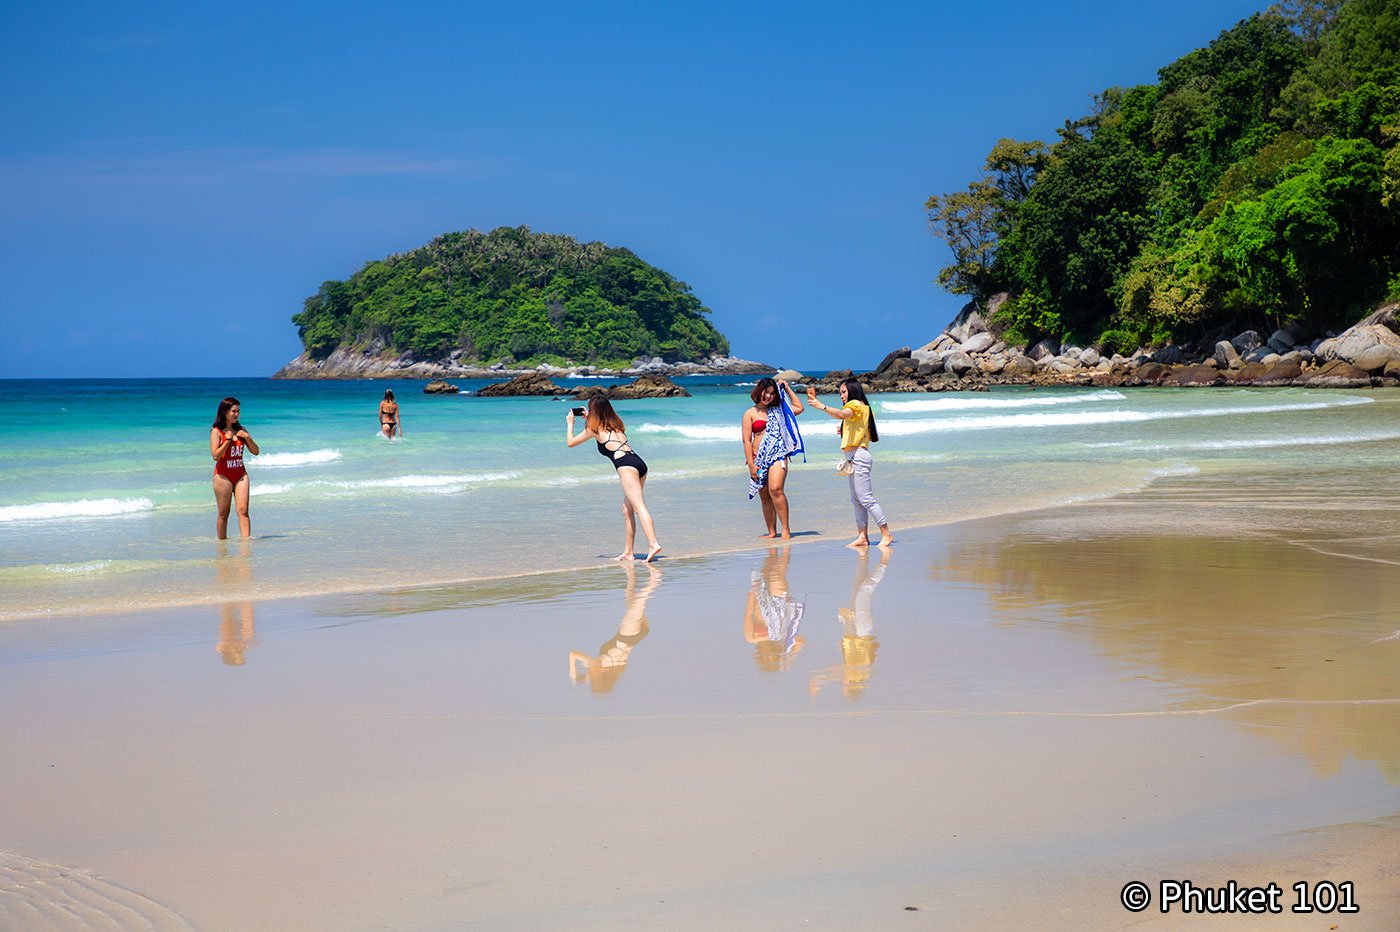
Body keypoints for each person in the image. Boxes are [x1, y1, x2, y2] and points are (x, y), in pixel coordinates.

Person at [566, 397, 663, 562]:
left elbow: (571, 443)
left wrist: (570, 424)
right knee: (627, 510)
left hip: (626, 466)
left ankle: (653, 544)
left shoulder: (593, 429)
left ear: (593, 411)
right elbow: (600, 425)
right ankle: (628, 553)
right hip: (639, 463)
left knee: (639, 507)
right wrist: (590, 417)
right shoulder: (617, 425)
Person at [807, 379, 893, 548]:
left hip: (859, 456)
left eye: (844, 392)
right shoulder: (863, 408)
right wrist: (844, 429)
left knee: (865, 498)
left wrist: (821, 406)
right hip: (853, 456)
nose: (842, 396)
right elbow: (857, 426)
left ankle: (886, 533)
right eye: (840, 393)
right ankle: (862, 536)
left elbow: (841, 414)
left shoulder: (855, 404)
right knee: (856, 500)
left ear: (853, 391)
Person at [568, 562, 661, 693]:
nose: (590, 682)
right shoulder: (597, 666)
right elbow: (573, 654)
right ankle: (656, 577)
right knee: (642, 598)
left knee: (630, 594)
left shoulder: (614, 671)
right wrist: (572, 672)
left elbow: (590, 672)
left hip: (638, 635)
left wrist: (586, 677)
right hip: (629, 631)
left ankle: (631, 570)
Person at [809, 547, 888, 700]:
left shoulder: (862, 674)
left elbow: (843, 668)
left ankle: (863, 556)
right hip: (860, 629)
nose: (842, 683)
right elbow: (838, 672)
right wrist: (819, 679)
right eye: (844, 686)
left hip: (854, 630)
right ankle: (885, 562)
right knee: (865, 590)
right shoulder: (857, 674)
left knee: (858, 585)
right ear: (851, 684)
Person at [742, 377, 805, 539]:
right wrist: (751, 464)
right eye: (766, 392)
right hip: (759, 458)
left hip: (778, 455)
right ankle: (771, 531)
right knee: (764, 495)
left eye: (772, 393)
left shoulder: (780, 410)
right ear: (759, 391)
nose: (768, 396)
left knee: (775, 489)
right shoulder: (750, 413)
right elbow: (746, 440)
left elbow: (799, 407)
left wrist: (788, 388)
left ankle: (785, 530)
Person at [744, 544, 805, 672]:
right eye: (772, 658)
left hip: (761, 600)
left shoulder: (751, 637)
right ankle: (784, 547)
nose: (769, 656)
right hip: (779, 605)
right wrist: (789, 656)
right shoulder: (781, 639)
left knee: (769, 569)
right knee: (777, 573)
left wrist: (752, 593)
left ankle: (774, 548)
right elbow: (800, 642)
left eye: (766, 658)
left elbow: (748, 615)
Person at [210, 396, 260, 539]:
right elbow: (215, 456)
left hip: (241, 475)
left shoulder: (241, 430)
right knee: (223, 514)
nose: (237, 414)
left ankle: (246, 543)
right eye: (233, 411)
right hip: (222, 476)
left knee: (243, 511)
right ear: (225, 412)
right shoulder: (216, 431)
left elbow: (256, 452)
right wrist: (227, 440)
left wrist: (248, 437)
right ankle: (222, 546)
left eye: (238, 411)